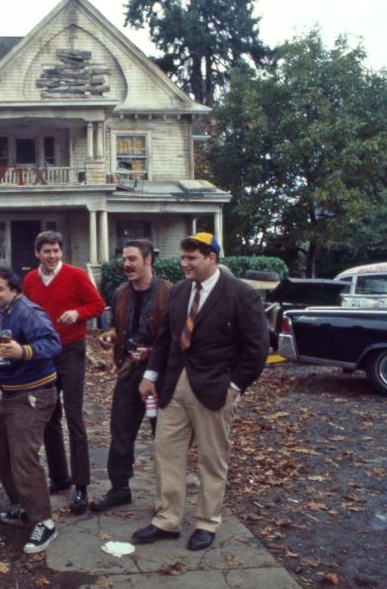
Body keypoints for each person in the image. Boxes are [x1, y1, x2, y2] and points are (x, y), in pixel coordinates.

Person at [133, 233, 269, 550]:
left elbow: (257, 348)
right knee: (166, 453)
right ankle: (167, 520)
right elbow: (165, 338)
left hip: (215, 389)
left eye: (192, 258)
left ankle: (207, 523)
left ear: (212, 258)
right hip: (173, 387)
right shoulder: (180, 292)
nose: (184, 264)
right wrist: (151, 375)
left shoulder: (240, 294)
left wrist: (235, 387)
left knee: (211, 460)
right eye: (183, 257)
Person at [0, 266, 62, 554]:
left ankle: (44, 522)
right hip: (10, 394)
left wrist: (23, 351)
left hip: (34, 394)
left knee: (23, 458)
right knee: (2, 452)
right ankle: (23, 507)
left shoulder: (28, 312)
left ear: (14, 290)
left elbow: (53, 343)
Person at [22, 231, 105, 513]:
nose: (52, 256)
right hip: (44, 354)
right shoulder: (31, 280)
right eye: (47, 251)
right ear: (37, 253)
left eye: (56, 251)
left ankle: (81, 485)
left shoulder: (76, 275)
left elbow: (97, 305)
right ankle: (60, 477)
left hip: (71, 350)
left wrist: (78, 314)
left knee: (74, 415)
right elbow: (26, 310)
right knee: (49, 416)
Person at [90, 239, 171, 512]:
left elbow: (174, 336)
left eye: (132, 259)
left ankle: (168, 496)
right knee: (121, 432)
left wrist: (153, 352)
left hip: (160, 376)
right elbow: (116, 325)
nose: (126, 264)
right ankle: (119, 489)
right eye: (124, 259)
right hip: (128, 372)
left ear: (148, 260)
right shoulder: (121, 293)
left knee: (164, 435)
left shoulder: (169, 293)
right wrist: (110, 336)